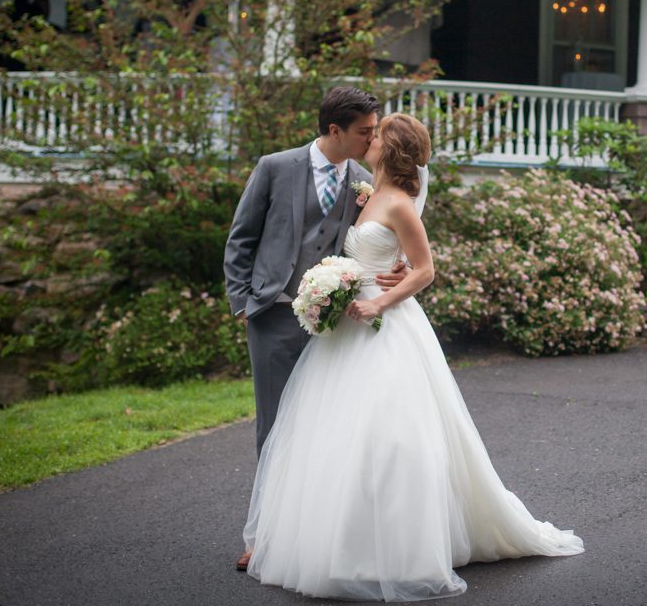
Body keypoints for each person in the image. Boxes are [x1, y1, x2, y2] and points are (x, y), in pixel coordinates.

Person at [241, 113, 584, 600]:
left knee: (389, 436)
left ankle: (393, 548)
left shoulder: (399, 203)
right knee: (336, 435)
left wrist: (380, 300)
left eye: (377, 135)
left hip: (384, 325)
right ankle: (339, 544)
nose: (369, 139)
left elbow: (424, 271)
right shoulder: (366, 191)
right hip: (347, 329)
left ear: (393, 149)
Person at [223, 86, 406, 464]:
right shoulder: (275, 167)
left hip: (333, 322)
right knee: (273, 423)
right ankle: (272, 519)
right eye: (365, 131)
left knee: (326, 420)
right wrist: (242, 302)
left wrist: (397, 262)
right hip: (272, 312)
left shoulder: (363, 179)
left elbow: (374, 237)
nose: (373, 139)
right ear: (335, 130)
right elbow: (241, 238)